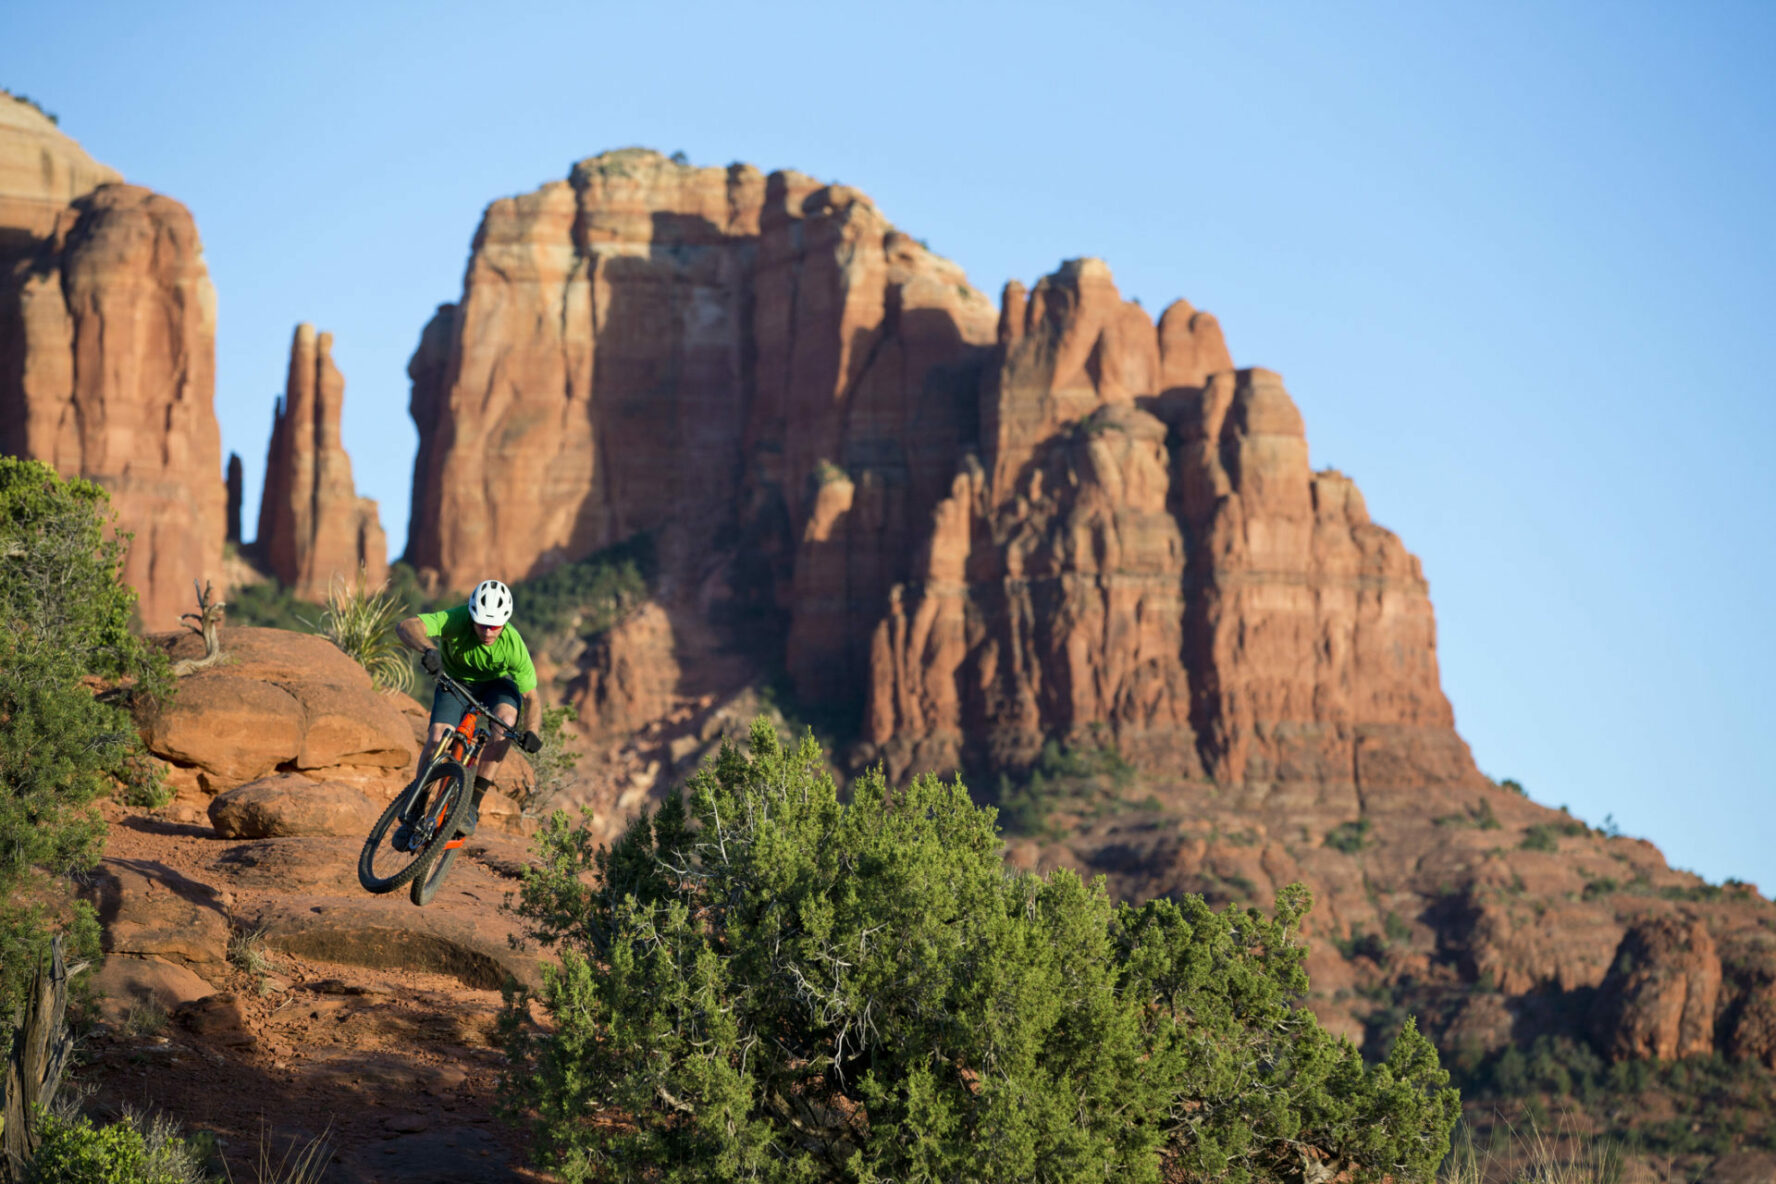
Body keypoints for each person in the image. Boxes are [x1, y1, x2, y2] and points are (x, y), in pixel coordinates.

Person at [394, 578, 542, 840]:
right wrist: (428, 649)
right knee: (439, 736)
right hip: (455, 681)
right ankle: (416, 805)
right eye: (482, 624)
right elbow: (407, 626)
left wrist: (531, 731)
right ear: (472, 615)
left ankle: (471, 805)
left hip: (497, 687)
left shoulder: (513, 645)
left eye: (494, 626)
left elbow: (531, 696)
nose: (487, 632)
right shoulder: (457, 619)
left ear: (505, 622)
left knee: (504, 724)